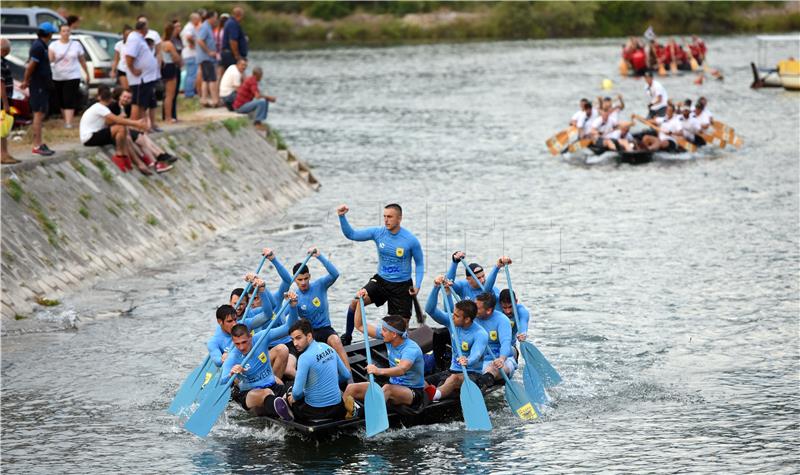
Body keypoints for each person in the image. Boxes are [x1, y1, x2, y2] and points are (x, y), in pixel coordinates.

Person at [337, 203, 425, 346]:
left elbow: (420, 264)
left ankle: (400, 352)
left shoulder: (410, 240)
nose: (386, 220)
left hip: (402, 287)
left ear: (399, 218)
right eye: (384, 216)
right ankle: (347, 337)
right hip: (381, 281)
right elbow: (351, 234)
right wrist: (342, 216)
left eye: (389, 217)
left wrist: (418, 285)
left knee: (401, 330)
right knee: (355, 302)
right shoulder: (378, 233)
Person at [343, 292, 426, 415]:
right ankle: (350, 416)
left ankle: (367, 417)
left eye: (384, 330)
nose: (381, 333)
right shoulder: (388, 337)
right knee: (351, 388)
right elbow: (360, 325)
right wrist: (360, 303)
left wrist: (378, 371)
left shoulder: (410, 349)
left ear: (394, 334)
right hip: (392, 384)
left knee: (387, 389)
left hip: (412, 392)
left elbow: (402, 369)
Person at [221, 293, 298, 418]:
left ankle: (285, 404)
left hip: (272, 385)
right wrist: (231, 372)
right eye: (237, 344)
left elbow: (289, 327)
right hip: (250, 393)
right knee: (266, 393)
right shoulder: (233, 356)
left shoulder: (261, 337)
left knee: (295, 390)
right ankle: (283, 409)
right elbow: (222, 380)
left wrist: (293, 307)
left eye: (244, 342)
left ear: (250, 337)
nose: (241, 347)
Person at [277, 247, 351, 371]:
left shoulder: (320, 285)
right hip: (308, 333)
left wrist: (319, 256)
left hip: (325, 329)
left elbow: (335, 274)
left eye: (306, 278)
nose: (303, 282)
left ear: (309, 276)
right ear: (294, 279)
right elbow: (282, 318)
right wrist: (290, 304)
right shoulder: (294, 296)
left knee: (336, 340)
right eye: (300, 280)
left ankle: (349, 375)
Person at [274, 319, 352, 422]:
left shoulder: (304, 358)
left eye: (298, 338)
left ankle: (290, 414)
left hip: (315, 412)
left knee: (289, 389)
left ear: (309, 336)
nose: (295, 343)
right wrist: (327, 383)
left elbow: (297, 393)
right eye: (292, 340)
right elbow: (346, 375)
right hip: (338, 409)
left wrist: (294, 395)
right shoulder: (328, 348)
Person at [423, 282, 488, 402]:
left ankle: (435, 395)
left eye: (457, 316)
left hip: (472, 374)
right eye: (453, 314)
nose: (453, 317)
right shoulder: (452, 322)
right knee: (422, 380)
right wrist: (436, 287)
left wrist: (467, 360)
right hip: (452, 370)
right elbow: (430, 310)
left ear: (467, 319)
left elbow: (477, 354)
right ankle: (428, 395)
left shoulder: (480, 334)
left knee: (454, 379)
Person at [79, 86, 147, 171]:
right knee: (120, 127)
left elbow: (110, 122)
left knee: (123, 132)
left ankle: (126, 157)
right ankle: (119, 155)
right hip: (89, 138)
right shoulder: (100, 107)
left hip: (94, 135)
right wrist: (136, 123)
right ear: (110, 99)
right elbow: (117, 120)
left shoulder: (100, 107)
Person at [108, 87, 175, 173]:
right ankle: (157, 159)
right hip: (118, 131)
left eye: (128, 98)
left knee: (143, 136)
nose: (126, 99)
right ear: (119, 97)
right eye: (124, 97)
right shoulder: (113, 107)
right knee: (141, 139)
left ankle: (159, 156)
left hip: (125, 129)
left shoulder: (127, 107)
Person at [21, 22, 58, 156]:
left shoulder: (42, 46)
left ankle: (40, 143)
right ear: (48, 34)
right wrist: (25, 80)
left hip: (43, 84)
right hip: (38, 85)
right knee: (38, 113)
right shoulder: (38, 46)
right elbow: (31, 65)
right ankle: (36, 145)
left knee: (41, 113)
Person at [49, 24, 89, 129]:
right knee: (60, 99)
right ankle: (65, 119)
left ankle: (69, 122)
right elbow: (50, 59)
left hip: (72, 75)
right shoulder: (54, 45)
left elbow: (82, 60)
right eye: (63, 31)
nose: (66, 33)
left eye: (67, 31)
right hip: (58, 75)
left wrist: (86, 72)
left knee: (69, 98)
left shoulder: (76, 45)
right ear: (60, 33)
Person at [473, 292, 514, 387]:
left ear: (488, 310)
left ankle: (484, 381)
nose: (473, 310)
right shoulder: (471, 318)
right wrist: (447, 293)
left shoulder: (502, 320)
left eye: (477, 308)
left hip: (499, 361)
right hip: (477, 361)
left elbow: (506, 343)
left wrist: (501, 359)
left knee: (492, 368)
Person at [125, 20, 159, 129]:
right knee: (138, 103)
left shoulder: (139, 38)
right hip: (140, 78)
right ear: (143, 28)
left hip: (147, 77)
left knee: (143, 103)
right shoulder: (134, 39)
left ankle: (142, 125)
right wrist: (133, 69)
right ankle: (135, 125)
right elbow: (129, 56)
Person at [196, 10, 219, 108]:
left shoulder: (208, 27)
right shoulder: (205, 27)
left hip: (206, 58)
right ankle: (215, 100)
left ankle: (204, 99)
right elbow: (200, 40)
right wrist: (209, 51)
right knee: (212, 79)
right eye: (215, 17)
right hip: (206, 58)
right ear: (211, 17)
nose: (216, 20)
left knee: (205, 79)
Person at [160, 22, 182, 123]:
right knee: (170, 94)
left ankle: (166, 115)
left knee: (166, 94)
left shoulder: (160, 42)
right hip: (170, 66)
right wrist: (180, 61)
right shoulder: (169, 44)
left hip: (164, 67)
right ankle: (168, 117)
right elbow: (176, 57)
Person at [1, 38, 18, 164]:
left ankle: (5, 153)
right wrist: (5, 103)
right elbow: (1, 83)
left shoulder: (3, 61)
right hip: (2, 100)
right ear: (5, 49)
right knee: (2, 127)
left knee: (4, 127)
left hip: (5, 99)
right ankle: (2, 154)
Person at [180, 12, 201, 98]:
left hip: (188, 54)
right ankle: (189, 93)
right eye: (198, 19)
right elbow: (189, 37)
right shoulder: (190, 27)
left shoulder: (188, 27)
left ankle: (189, 91)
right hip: (190, 54)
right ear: (194, 19)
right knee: (192, 74)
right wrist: (193, 43)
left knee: (190, 73)